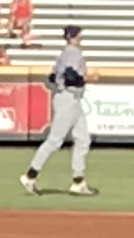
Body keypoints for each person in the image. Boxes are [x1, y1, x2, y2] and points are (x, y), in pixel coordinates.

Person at [22, 23, 95, 194]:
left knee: (83, 139)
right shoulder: (73, 52)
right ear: (71, 37)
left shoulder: (63, 54)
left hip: (71, 99)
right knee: (55, 140)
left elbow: (53, 77)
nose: (79, 37)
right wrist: (89, 78)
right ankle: (30, 176)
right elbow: (71, 77)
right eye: (77, 35)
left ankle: (78, 181)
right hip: (68, 98)